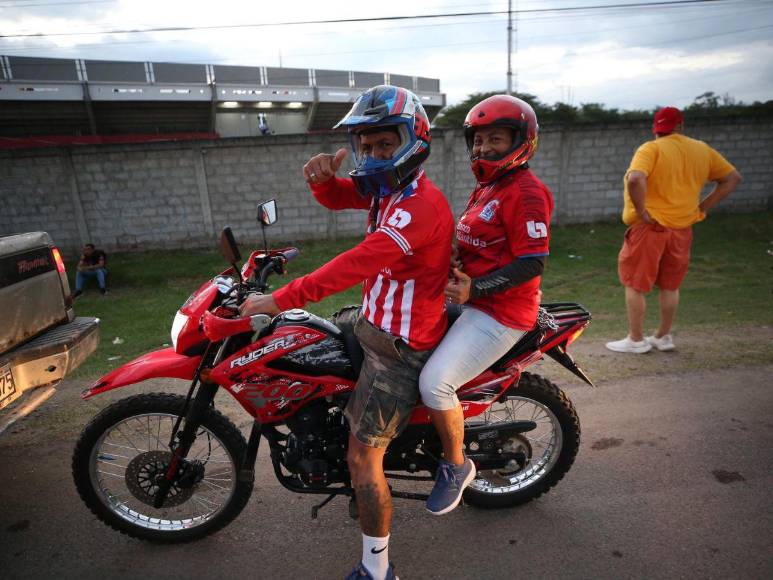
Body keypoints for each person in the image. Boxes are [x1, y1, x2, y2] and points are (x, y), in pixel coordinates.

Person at [239, 85, 454, 580]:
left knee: (362, 456)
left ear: (413, 139)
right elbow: (342, 197)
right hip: (371, 323)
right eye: (368, 145)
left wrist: (278, 299)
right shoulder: (390, 190)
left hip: (400, 348)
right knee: (305, 354)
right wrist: (321, 182)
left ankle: (377, 569)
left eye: (386, 144)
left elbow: (355, 262)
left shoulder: (417, 205)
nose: (375, 154)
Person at [417, 95, 554, 515]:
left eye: (494, 138)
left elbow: (533, 260)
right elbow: (480, 241)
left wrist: (475, 289)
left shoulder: (527, 193)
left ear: (521, 141)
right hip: (472, 302)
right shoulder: (489, 187)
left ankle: (456, 465)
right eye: (477, 140)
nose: (483, 148)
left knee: (433, 384)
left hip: (500, 314)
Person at [605, 106, 742, 354]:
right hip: (682, 228)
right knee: (670, 285)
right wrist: (703, 206)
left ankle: (636, 340)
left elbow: (635, 178)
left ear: (656, 128)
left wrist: (642, 211)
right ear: (681, 126)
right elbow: (732, 178)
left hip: (650, 227)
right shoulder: (702, 150)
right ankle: (663, 336)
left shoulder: (651, 148)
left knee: (635, 284)